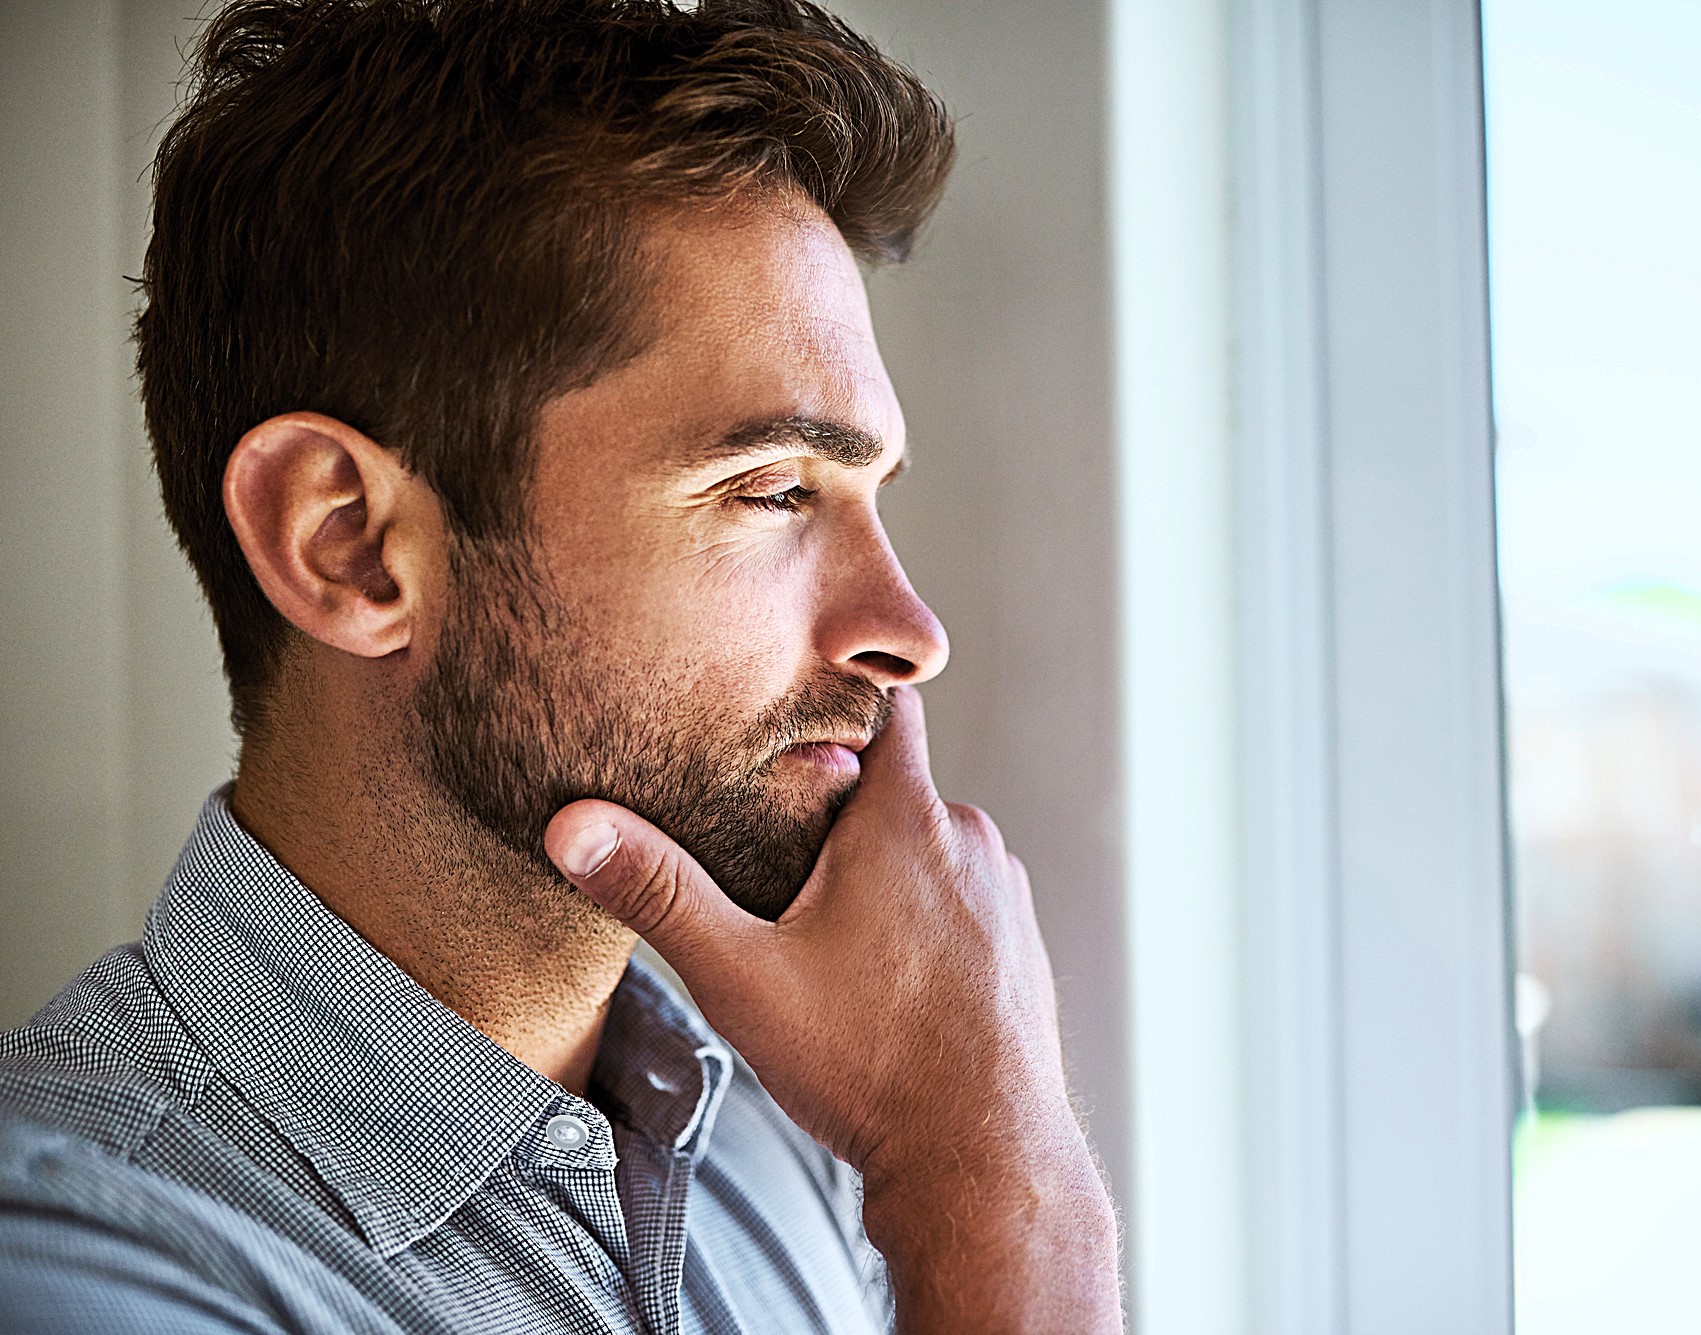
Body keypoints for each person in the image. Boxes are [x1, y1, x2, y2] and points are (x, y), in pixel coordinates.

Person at [0, 1, 1122, 1330]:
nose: (909, 629)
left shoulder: (798, 1138)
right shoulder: (77, 1260)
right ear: (352, 548)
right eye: (772, 491)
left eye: (870, 492)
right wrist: (995, 1186)